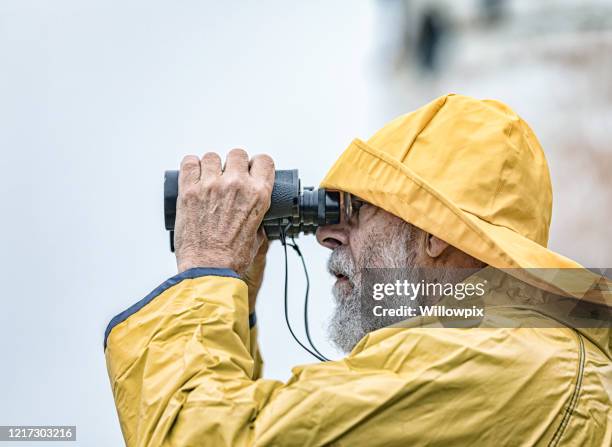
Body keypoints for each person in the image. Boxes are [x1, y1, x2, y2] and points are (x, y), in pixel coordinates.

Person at [104, 94, 611, 446]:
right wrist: (232, 297)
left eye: (358, 209)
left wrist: (207, 265)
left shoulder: (496, 362)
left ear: (435, 232)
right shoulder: (516, 349)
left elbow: (206, 438)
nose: (327, 233)